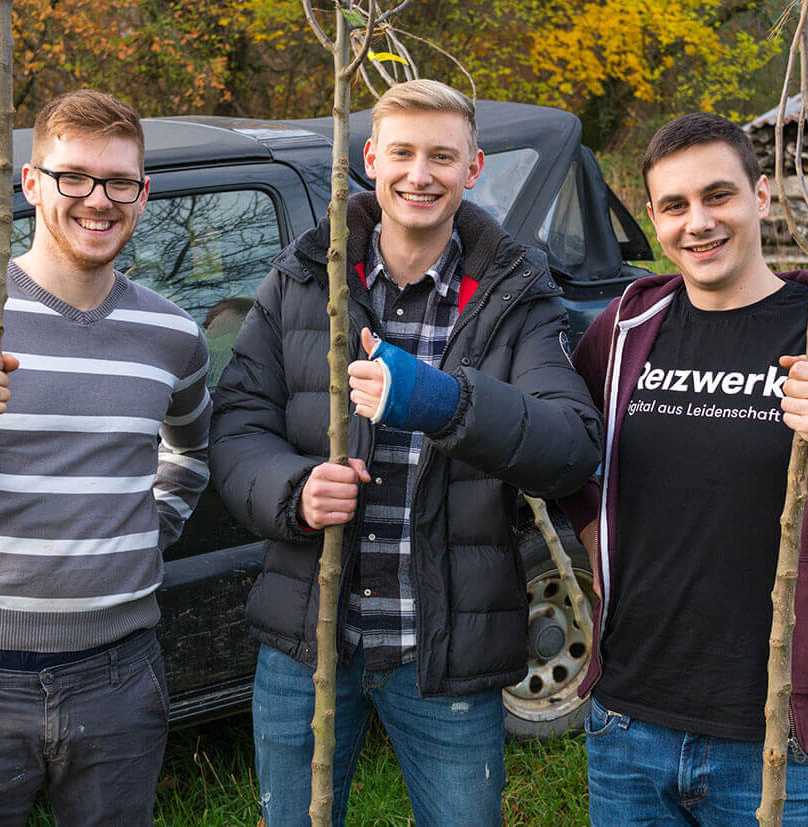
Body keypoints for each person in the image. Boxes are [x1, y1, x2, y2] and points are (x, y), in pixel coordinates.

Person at [209, 79, 602, 827]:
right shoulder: (302, 278)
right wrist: (292, 491)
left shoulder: (518, 295)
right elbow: (235, 428)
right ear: (370, 159)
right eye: (403, 153)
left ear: (474, 168)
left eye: (442, 157)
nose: (420, 174)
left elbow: (571, 449)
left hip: (445, 648)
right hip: (309, 643)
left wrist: (444, 400)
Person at [556, 113, 808, 825]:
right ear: (652, 218)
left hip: (779, 741)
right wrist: (589, 520)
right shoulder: (622, 331)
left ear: (762, 194)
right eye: (675, 206)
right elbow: (555, 442)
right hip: (627, 721)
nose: (699, 222)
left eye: (719, 196)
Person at [0, 90, 211, 825]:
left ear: (143, 194)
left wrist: (145, 532)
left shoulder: (171, 335)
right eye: (73, 176)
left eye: (120, 182)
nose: (98, 200)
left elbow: (190, 451)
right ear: (30, 183)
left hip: (119, 676)